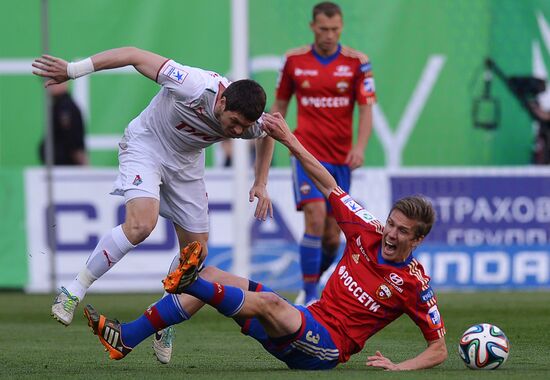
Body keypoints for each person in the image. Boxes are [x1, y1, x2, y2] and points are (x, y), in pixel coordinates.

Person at [84, 112, 447, 371]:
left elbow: (439, 349)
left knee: (268, 300)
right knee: (212, 273)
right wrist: (289, 140)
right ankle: (128, 337)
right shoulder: (368, 229)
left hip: (325, 349)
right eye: (391, 224)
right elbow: (327, 184)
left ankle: (188, 282)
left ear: (418, 239)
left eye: (402, 231)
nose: (391, 234)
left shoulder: (414, 284)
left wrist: (402, 368)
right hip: (305, 320)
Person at [32, 47, 274, 362]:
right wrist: (73, 70)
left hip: (185, 167)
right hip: (146, 146)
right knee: (141, 224)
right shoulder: (192, 84)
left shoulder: (248, 122)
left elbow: (268, 132)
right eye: (235, 123)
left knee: (195, 258)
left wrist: (261, 181)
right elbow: (133, 54)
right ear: (222, 101)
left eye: (244, 127)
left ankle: (162, 318)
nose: (239, 132)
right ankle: (73, 291)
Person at [270, 2, 376, 304]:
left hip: (340, 159)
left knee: (332, 237)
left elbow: (366, 109)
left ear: (341, 28)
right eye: (323, 29)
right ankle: (312, 295)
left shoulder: (357, 62)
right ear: (312, 27)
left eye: (335, 29)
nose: (329, 35)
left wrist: (360, 147)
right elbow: (280, 105)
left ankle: (310, 283)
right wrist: (272, 136)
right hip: (305, 152)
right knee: (314, 218)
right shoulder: (293, 61)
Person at [39, 81, 89, 165]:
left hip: (66, 169)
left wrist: (84, 165)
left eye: (53, 80)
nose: (48, 85)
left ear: (65, 82)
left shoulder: (66, 107)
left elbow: (74, 143)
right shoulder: (58, 106)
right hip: (59, 167)